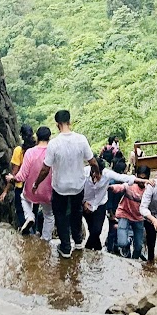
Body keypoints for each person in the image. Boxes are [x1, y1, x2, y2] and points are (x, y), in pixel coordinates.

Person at [36, 109, 93, 259]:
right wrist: (97, 172)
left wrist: (36, 184)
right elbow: (92, 160)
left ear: (57, 125)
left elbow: (45, 169)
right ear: (70, 122)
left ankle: (66, 247)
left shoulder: (54, 144)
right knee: (76, 212)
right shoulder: (81, 139)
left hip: (60, 187)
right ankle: (79, 241)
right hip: (77, 186)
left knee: (60, 216)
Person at [17, 125, 53, 240]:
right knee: (49, 215)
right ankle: (46, 239)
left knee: (23, 197)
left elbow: (22, 175)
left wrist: (12, 178)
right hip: (49, 192)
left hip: (31, 190)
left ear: (37, 137)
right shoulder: (53, 152)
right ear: (49, 137)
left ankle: (29, 216)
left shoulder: (30, 152)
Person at [0, 124, 33, 230]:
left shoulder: (19, 150)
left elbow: (14, 172)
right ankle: (34, 232)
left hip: (21, 186)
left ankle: (25, 230)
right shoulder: (35, 149)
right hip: (34, 185)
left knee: (20, 210)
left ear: (21, 135)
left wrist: (5, 191)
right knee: (33, 211)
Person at [114, 167, 147, 259]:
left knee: (138, 247)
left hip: (139, 217)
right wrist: (112, 188)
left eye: (144, 179)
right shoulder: (131, 184)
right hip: (125, 214)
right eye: (140, 178)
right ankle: (127, 244)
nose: (142, 182)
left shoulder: (149, 189)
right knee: (122, 243)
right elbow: (121, 187)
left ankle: (135, 261)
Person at [82, 156, 112, 250]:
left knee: (97, 230)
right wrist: (83, 203)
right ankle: (98, 250)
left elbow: (123, 179)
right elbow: (76, 189)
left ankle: (86, 250)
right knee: (92, 230)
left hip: (100, 204)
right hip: (86, 204)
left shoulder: (107, 175)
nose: (96, 174)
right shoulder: (82, 173)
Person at [103, 152, 127, 254]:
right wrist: (111, 213)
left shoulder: (121, 182)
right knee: (112, 230)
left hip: (120, 210)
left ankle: (115, 247)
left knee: (118, 229)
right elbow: (109, 200)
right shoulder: (112, 184)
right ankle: (110, 248)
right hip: (113, 210)